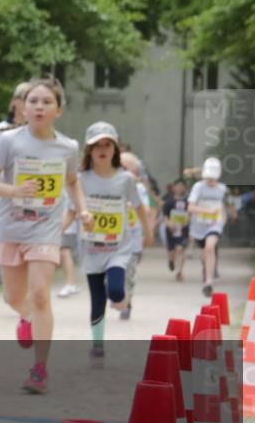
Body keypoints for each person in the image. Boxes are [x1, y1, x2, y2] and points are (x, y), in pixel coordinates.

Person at [0, 77, 91, 394]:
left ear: (58, 109)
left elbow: (72, 182)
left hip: (46, 228)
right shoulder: (9, 142)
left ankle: (40, 369)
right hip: (11, 228)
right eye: (33, 101)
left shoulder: (68, 147)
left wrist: (82, 210)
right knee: (14, 297)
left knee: (41, 293)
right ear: (22, 108)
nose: (39, 106)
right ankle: (26, 317)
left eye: (46, 102)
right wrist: (14, 190)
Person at [65, 122, 151, 367]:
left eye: (107, 144)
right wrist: (55, 234)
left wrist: (147, 231)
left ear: (115, 149)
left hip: (118, 248)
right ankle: (98, 346)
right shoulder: (80, 180)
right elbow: (72, 211)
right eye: (97, 145)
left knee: (114, 291)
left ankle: (121, 296)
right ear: (89, 151)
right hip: (91, 249)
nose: (102, 149)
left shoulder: (125, 180)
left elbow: (139, 207)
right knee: (97, 300)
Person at [119, 151, 155, 319]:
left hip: (133, 241)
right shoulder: (111, 185)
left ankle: (127, 301)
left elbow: (146, 210)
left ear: (135, 172)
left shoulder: (139, 189)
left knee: (129, 273)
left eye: (127, 168)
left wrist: (148, 232)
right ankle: (118, 295)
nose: (122, 170)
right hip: (112, 240)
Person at [188, 157, 230, 297]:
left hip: (214, 226)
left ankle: (208, 282)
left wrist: (222, 221)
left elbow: (223, 207)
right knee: (204, 253)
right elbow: (191, 207)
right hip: (199, 226)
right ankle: (206, 269)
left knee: (209, 247)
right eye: (208, 177)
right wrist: (206, 211)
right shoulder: (198, 187)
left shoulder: (223, 189)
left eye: (213, 177)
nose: (210, 180)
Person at [161, 179, 190, 282]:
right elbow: (165, 216)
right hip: (171, 230)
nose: (179, 188)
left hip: (183, 230)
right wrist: (169, 223)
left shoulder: (188, 202)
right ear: (174, 187)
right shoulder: (169, 201)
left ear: (185, 188)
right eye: (177, 186)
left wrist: (188, 222)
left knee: (180, 249)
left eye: (182, 186)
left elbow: (191, 214)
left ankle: (180, 272)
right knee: (172, 251)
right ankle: (171, 260)